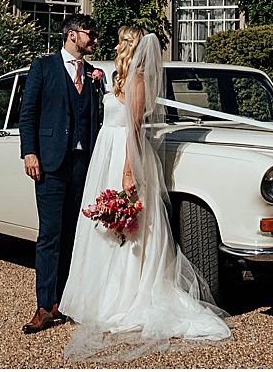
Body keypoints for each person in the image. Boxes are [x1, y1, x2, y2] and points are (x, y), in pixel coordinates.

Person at [57, 26, 231, 361]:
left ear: (131, 46)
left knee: (130, 229)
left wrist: (127, 171)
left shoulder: (136, 79)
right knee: (105, 227)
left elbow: (134, 128)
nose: (117, 44)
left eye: (123, 40)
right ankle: (102, 294)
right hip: (104, 154)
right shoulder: (117, 78)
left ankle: (124, 296)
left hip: (124, 155)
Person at [18, 13, 103, 334]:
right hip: (50, 164)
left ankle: (65, 302)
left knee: (75, 235)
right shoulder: (43, 67)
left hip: (84, 165)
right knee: (50, 235)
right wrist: (30, 152)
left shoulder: (95, 75)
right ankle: (44, 305)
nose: (94, 39)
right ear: (71, 36)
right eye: (89, 34)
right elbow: (28, 114)